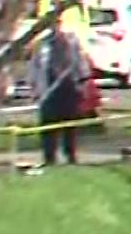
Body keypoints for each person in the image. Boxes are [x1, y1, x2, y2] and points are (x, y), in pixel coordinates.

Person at [31, 27, 89, 166]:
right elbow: (35, 66)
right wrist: (34, 87)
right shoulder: (42, 44)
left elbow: (80, 61)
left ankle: (71, 155)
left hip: (69, 87)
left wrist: (82, 84)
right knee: (49, 126)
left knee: (70, 125)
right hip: (49, 89)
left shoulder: (72, 41)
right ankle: (49, 158)